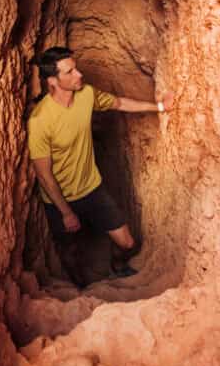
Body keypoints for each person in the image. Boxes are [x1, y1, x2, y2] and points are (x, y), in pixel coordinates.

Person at [27, 46, 174, 287]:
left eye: (76, 68)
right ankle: (79, 288)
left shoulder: (85, 94)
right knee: (69, 250)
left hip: (91, 188)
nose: (79, 75)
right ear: (52, 81)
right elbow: (44, 175)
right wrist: (66, 212)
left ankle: (117, 267)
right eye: (71, 72)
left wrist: (158, 107)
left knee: (126, 242)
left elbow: (119, 103)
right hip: (59, 199)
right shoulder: (40, 120)